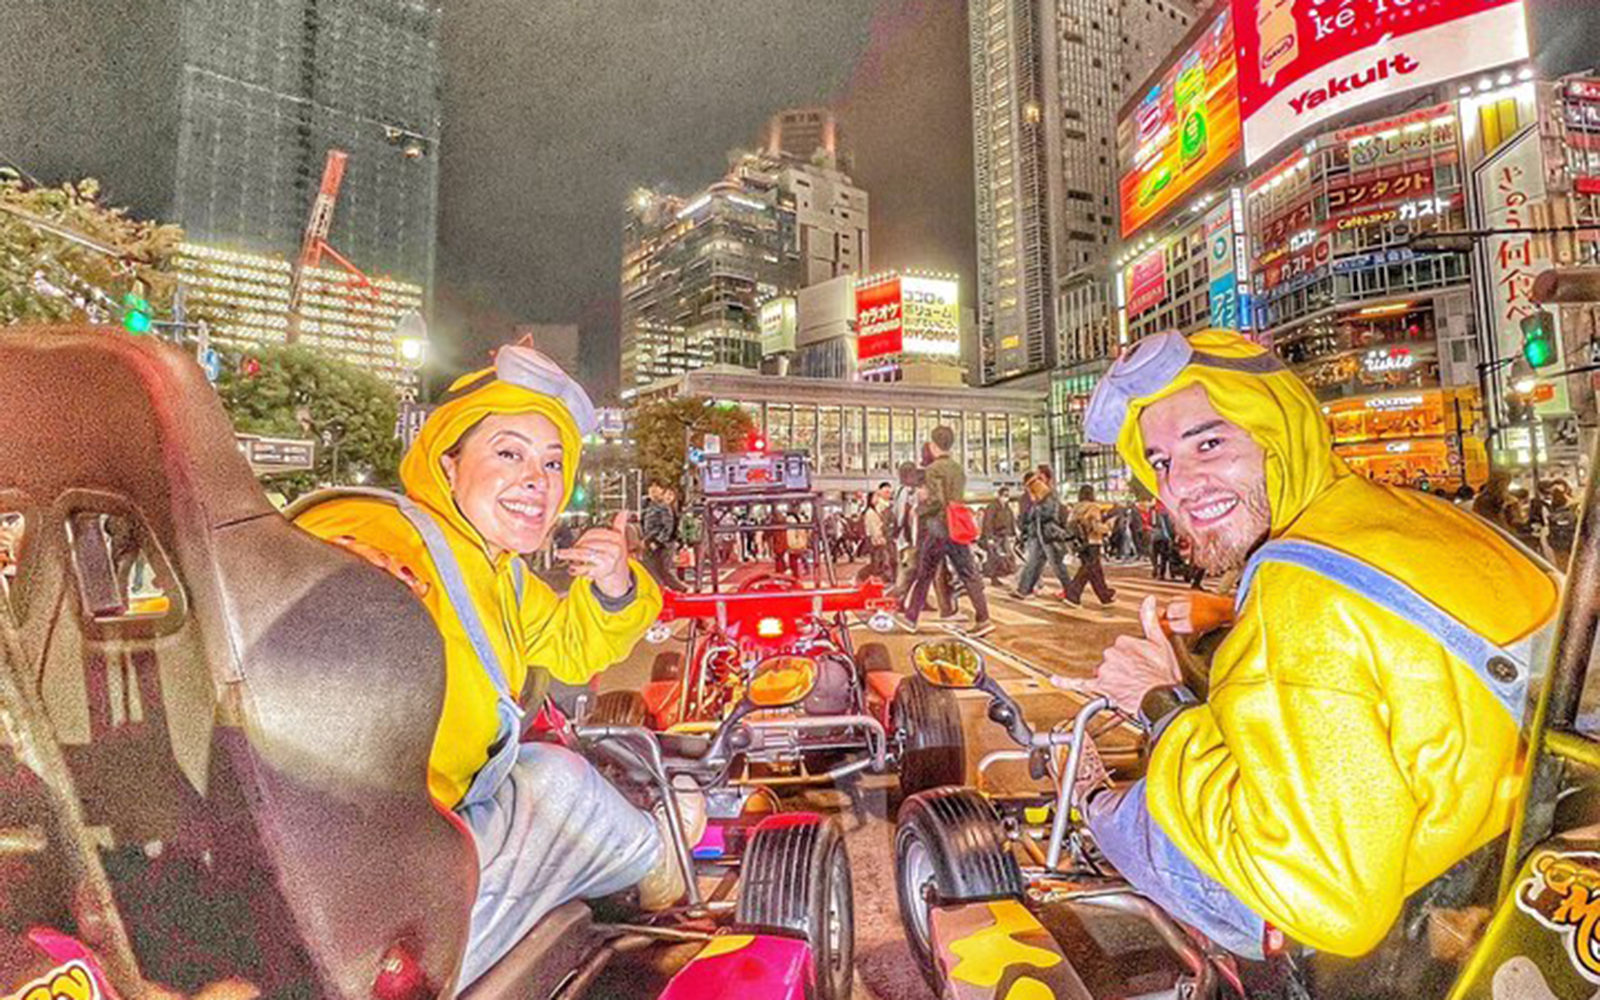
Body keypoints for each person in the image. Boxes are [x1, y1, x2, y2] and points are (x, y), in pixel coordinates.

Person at [1050, 329, 1558, 963]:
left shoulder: (1300, 591)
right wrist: (1234, 614)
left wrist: (1159, 704)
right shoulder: (1405, 514)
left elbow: (1328, 901)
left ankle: (1094, 811)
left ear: (1279, 432)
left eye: (1210, 442)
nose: (1181, 484)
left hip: (1394, 922)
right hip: (1507, 843)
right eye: (1160, 462)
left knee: (1139, 819)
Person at [294, 347, 683, 987]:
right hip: (372, 873)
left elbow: (572, 645)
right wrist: (343, 564)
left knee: (545, 770)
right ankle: (658, 860)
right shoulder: (391, 526)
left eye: (553, 462)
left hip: (417, 837)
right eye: (509, 453)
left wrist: (615, 584)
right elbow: (313, 547)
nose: (539, 480)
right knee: (559, 785)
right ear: (448, 464)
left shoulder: (500, 573)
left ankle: (650, 853)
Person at [897, 425, 993, 637]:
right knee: (968, 573)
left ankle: (911, 617)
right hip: (956, 525)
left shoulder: (933, 470)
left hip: (939, 526)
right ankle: (983, 618)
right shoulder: (958, 469)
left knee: (925, 572)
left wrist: (920, 508)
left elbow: (937, 501)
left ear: (933, 445)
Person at [1013, 474, 1074, 599]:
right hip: (1038, 536)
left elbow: (1049, 516)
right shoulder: (1038, 501)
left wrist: (1036, 510)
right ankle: (1024, 590)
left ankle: (1071, 592)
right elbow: (1030, 519)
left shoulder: (1048, 498)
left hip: (1048, 536)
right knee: (1033, 563)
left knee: (1057, 565)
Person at [1063, 485, 1116, 607]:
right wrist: (1108, 527)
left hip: (1080, 543)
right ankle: (1073, 594)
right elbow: (1095, 526)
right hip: (1092, 541)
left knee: (1095, 570)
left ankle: (1105, 596)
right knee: (1088, 569)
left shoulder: (1076, 508)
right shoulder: (1093, 507)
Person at [640, 482, 685, 592]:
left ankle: (680, 588)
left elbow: (668, 526)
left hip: (662, 543)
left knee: (664, 569)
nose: (653, 491)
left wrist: (658, 541)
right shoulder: (649, 505)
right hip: (651, 541)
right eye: (651, 488)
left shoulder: (663, 507)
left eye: (657, 488)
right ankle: (659, 588)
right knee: (651, 568)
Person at [858, 481, 897, 583]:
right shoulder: (871, 512)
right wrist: (879, 538)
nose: (877, 498)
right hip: (876, 540)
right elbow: (873, 528)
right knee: (879, 562)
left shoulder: (880, 508)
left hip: (879, 539)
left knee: (879, 562)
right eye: (876, 496)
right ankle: (864, 578)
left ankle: (869, 579)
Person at [981, 486, 1018, 585]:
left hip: (1004, 535)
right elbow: (987, 522)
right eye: (1004, 495)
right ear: (999, 495)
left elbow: (1011, 521)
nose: (1006, 497)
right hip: (994, 535)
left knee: (1008, 556)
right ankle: (993, 578)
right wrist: (989, 537)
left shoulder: (1007, 507)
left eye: (1007, 495)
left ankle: (1002, 575)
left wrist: (1013, 534)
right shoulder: (992, 506)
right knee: (994, 557)